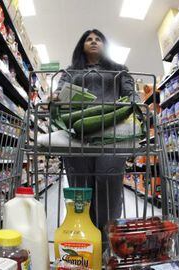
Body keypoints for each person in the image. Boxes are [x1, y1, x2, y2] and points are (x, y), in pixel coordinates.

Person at [52, 29, 140, 242]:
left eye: (98, 39)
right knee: (79, 186)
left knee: (108, 182)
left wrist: (138, 104)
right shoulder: (70, 72)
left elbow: (131, 94)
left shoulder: (119, 70)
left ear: (104, 44)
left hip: (111, 134)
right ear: (81, 45)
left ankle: (108, 238)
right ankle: (84, 238)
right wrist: (54, 97)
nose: (93, 42)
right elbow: (59, 93)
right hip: (77, 134)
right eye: (88, 39)